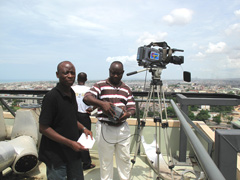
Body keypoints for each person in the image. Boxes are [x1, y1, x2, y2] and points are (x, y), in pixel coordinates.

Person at [38, 61, 92, 180]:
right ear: (57, 75)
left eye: (72, 73)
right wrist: (69, 143)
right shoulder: (52, 97)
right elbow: (43, 128)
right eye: (66, 73)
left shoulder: (71, 93)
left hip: (72, 152)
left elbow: (71, 118)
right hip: (56, 154)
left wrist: (83, 129)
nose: (70, 75)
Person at [83, 61, 136, 180]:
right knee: (105, 161)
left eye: (118, 73)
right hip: (105, 127)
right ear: (109, 71)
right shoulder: (100, 85)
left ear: (122, 73)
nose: (115, 76)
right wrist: (102, 104)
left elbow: (132, 108)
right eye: (113, 73)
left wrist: (126, 114)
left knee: (125, 159)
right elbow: (87, 98)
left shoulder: (126, 89)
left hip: (122, 128)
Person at [71, 72, 96, 170]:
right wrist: (92, 109)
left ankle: (75, 161)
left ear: (77, 79)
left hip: (73, 116)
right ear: (86, 79)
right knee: (85, 139)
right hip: (84, 116)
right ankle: (86, 163)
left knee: (74, 138)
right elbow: (95, 103)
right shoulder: (89, 90)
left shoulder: (72, 88)